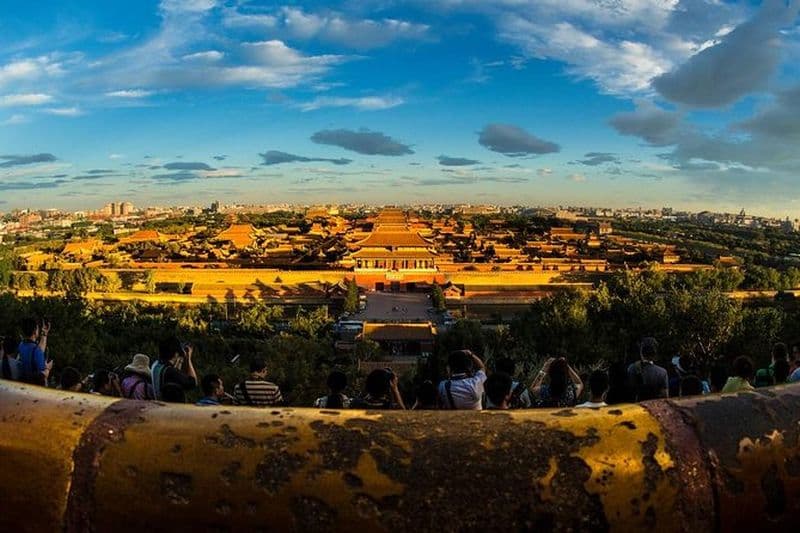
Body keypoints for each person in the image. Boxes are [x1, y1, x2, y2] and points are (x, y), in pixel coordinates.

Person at [17, 318, 52, 386]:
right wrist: (48, 368)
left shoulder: (21, 345)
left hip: (23, 385)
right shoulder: (36, 350)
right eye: (38, 328)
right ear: (35, 331)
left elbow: (37, 350)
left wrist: (44, 334)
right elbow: (42, 376)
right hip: (35, 387)